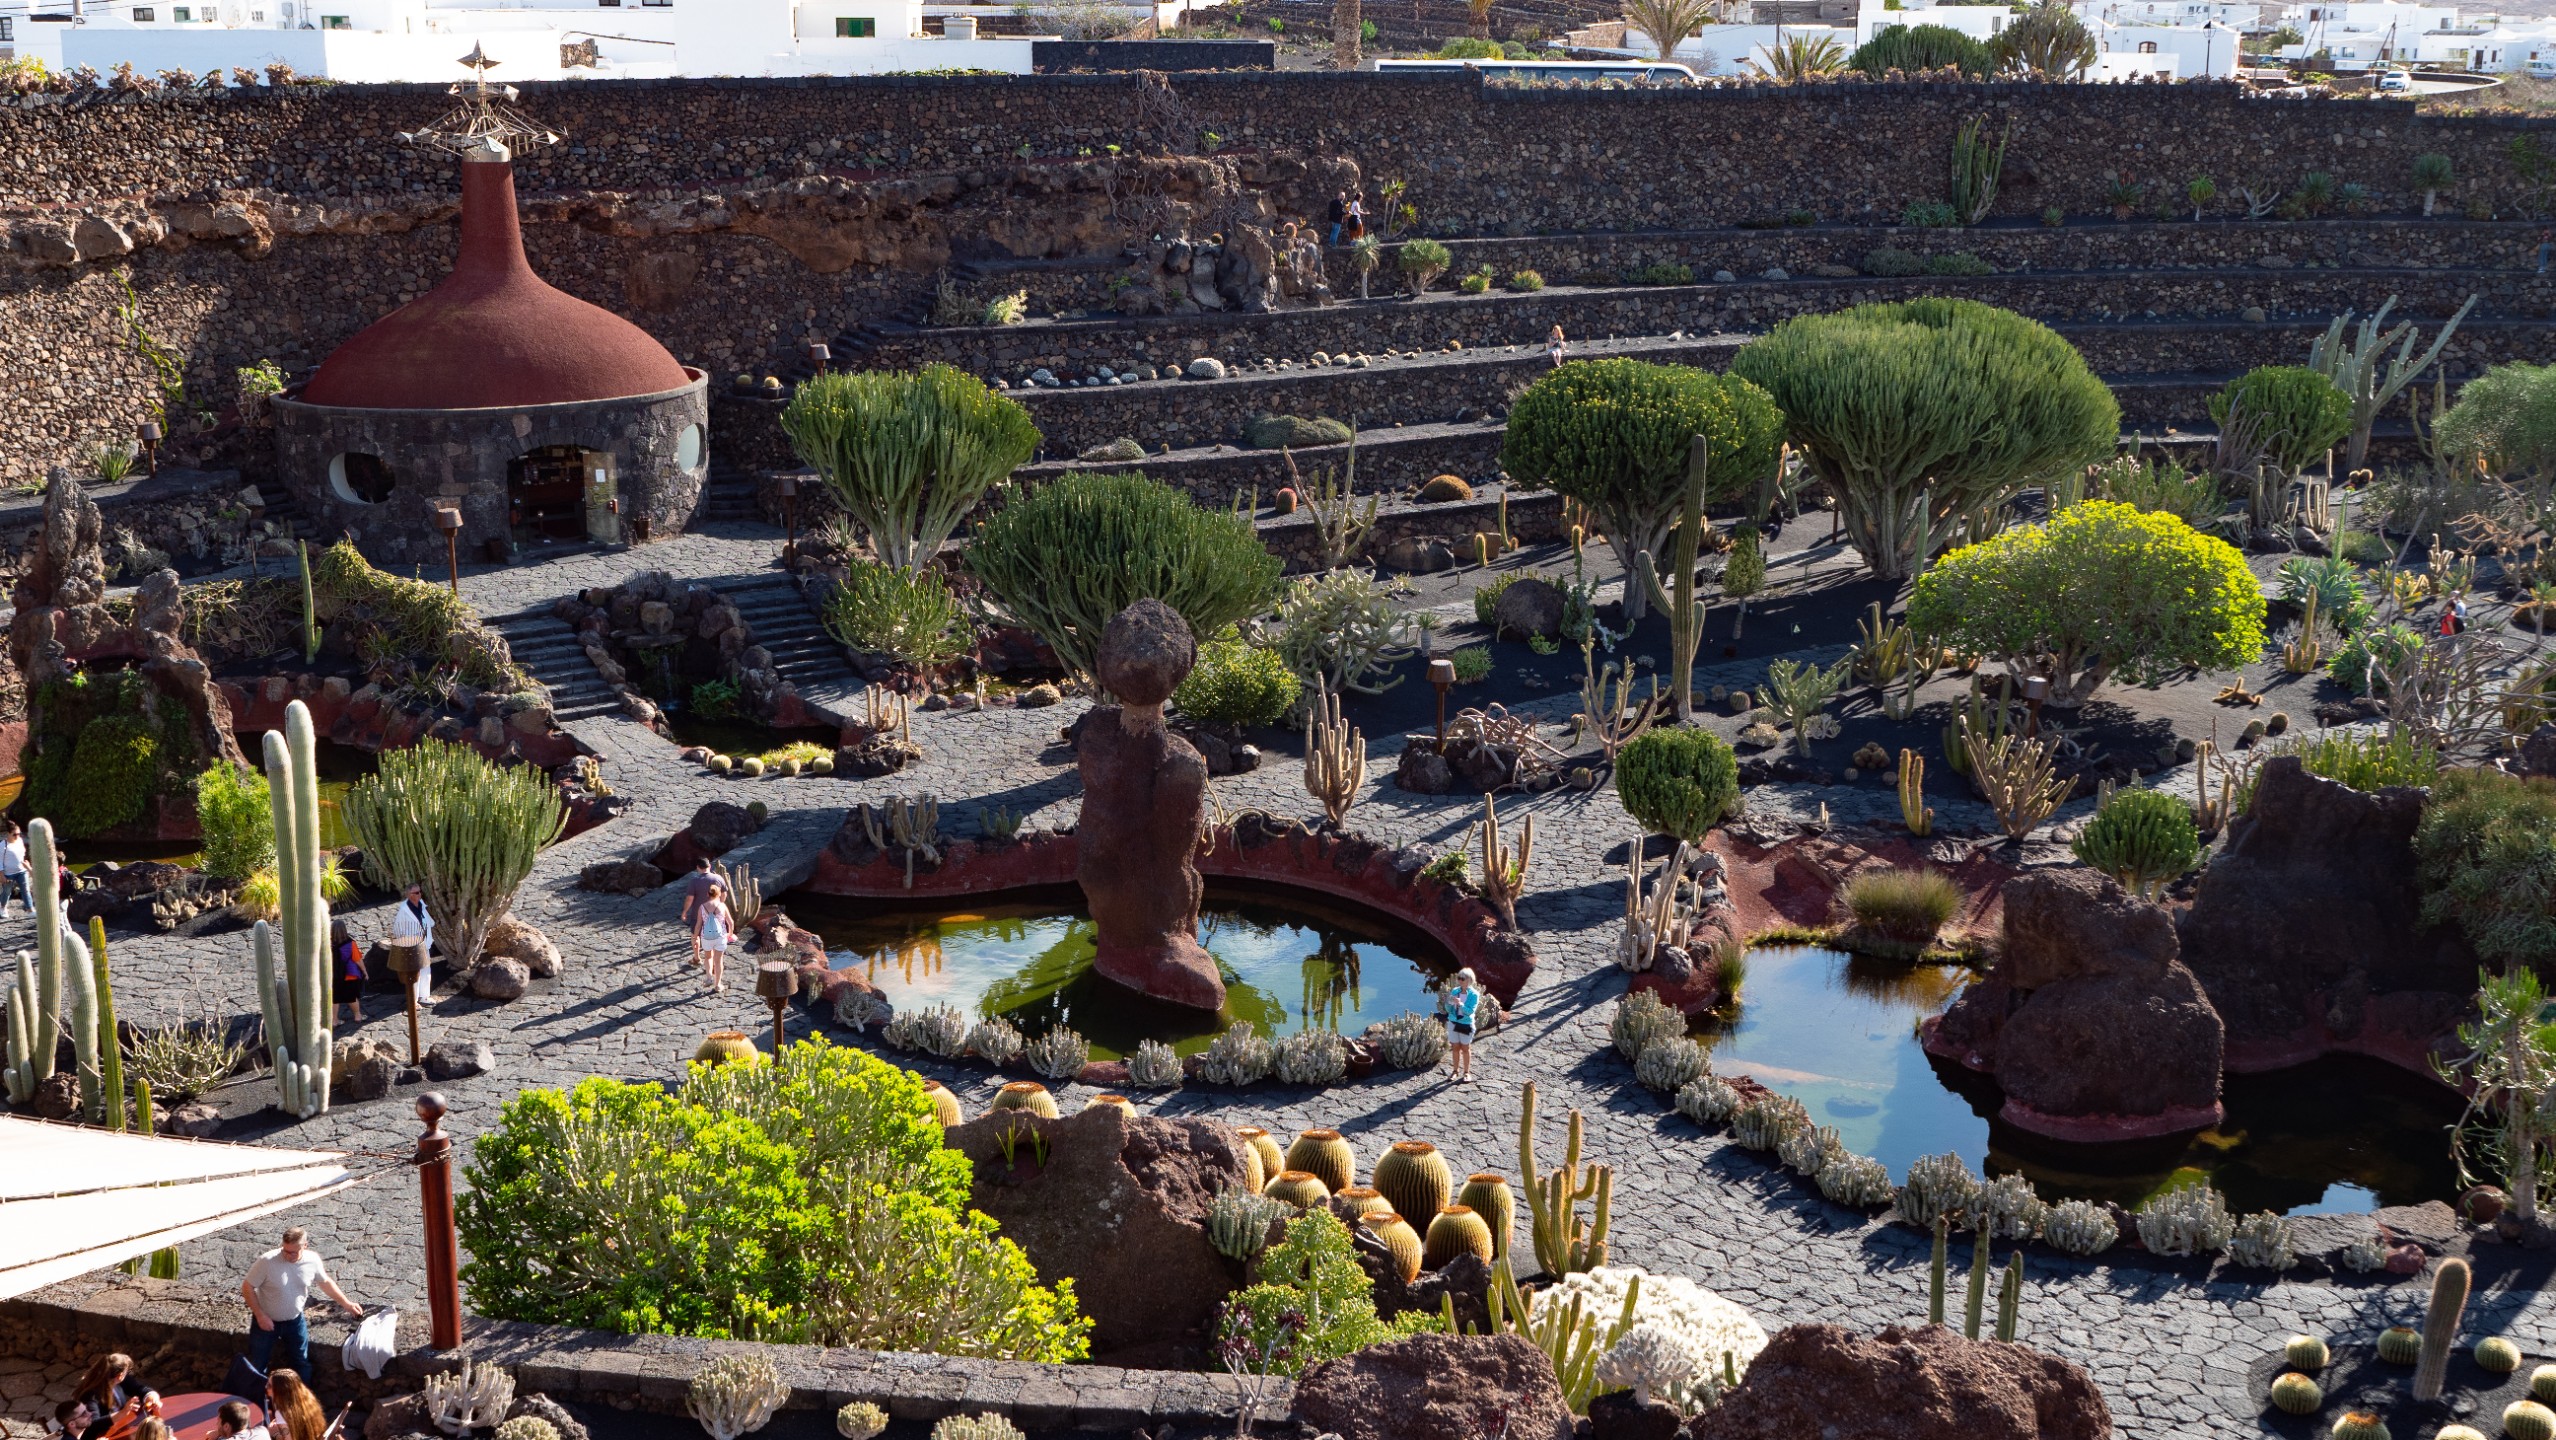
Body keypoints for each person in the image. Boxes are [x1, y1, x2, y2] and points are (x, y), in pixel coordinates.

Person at [240, 1228, 362, 1386]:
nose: (288, 1256)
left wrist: (346, 1303)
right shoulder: (266, 1261)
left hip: (295, 1321)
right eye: (285, 1251)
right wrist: (260, 1315)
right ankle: (255, 1398)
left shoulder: (312, 1260)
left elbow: (325, 1282)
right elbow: (247, 1287)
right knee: (257, 1364)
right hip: (265, 1322)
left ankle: (302, 1397)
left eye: (294, 1252)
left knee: (301, 1362)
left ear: (305, 1246)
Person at [386, 884, 434, 1008]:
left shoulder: (421, 904)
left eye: (420, 891)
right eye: (416, 893)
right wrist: (405, 944)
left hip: (424, 943)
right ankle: (413, 1001)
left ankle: (424, 996)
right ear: (409, 895)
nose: (419, 894)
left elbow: (427, 920)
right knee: (414, 973)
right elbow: (397, 929)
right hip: (412, 946)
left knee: (426, 970)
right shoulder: (404, 910)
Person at [1438, 968, 1488, 1083]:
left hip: (1466, 1024)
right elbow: (1449, 1010)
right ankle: (1455, 1071)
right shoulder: (1455, 991)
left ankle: (1466, 1072)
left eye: (1462, 978)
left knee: (1465, 1048)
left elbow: (1470, 1011)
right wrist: (1448, 1003)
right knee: (1455, 1047)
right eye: (1459, 978)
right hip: (1453, 1022)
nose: (1460, 980)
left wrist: (1460, 1004)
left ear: (1469, 980)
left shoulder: (1474, 994)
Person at [678, 855, 718, 970]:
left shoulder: (694, 881)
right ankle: (713, 962)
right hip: (714, 915)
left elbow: (690, 899)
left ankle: (697, 958)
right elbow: (724, 895)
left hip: (697, 915)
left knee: (695, 936)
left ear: (698, 868)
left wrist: (685, 911)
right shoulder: (718, 879)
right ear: (709, 866)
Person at [695, 879, 734, 993]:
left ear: (708, 894)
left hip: (706, 936)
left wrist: (695, 936)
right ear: (719, 894)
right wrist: (730, 934)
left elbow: (698, 924)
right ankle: (717, 985)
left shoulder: (702, 907)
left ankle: (708, 977)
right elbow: (730, 922)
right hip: (720, 937)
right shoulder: (722, 906)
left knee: (708, 957)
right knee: (718, 961)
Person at [261, 1372, 325, 1440]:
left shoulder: (282, 1412)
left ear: (280, 1390)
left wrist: (275, 1433)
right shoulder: (308, 1403)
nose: (266, 1387)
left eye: (269, 1385)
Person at [329, 920, 366, 1031]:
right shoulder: (351, 943)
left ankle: (334, 1020)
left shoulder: (328, 944)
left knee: (335, 998)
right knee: (351, 997)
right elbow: (358, 959)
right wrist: (364, 971)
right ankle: (357, 1016)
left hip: (333, 975)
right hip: (349, 975)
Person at [0, 821, 27, 917]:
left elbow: (23, 853)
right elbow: (0, 861)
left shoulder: (20, 841)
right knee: (7, 892)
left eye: (19, 834)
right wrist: (2, 875)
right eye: (14, 834)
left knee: (25, 889)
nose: (17, 836)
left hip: (21, 871)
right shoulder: (3, 844)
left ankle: (30, 908)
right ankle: (3, 907)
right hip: (8, 873)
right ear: (8, 833)